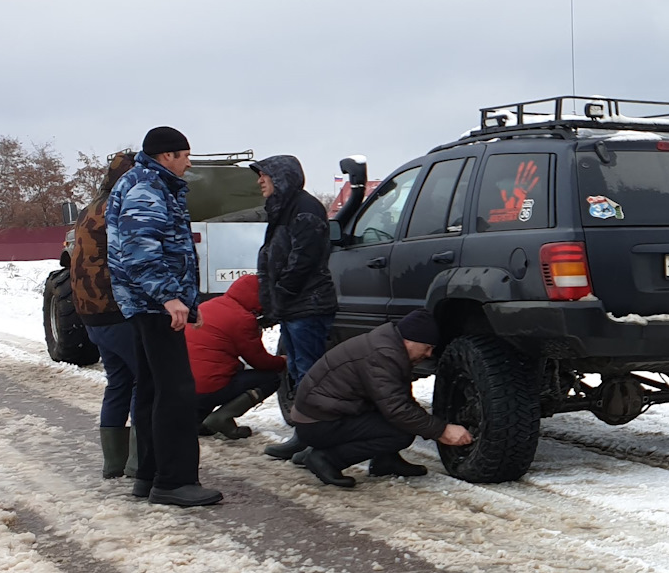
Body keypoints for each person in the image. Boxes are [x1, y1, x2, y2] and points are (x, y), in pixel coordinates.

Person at [106, 126, 222, 507]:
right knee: (176, 391)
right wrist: (170, 297)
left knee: (154, 388)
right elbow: (140, 251)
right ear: (167, 155)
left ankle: (149, 476)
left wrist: (187, 301)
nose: (189, 161)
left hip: (149, 304)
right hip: (153, 304)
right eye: (185, 154)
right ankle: (174, 480)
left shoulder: (152, 183)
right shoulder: (147, 187)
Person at [285, 307, 471, 487]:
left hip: (321, 415)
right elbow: (397, 410)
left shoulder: (388, 347)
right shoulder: (383, 356)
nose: (429, 354)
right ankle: (327, 458)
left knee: (400, 421)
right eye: (427, 347)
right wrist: (442, 430)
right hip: (318, 422)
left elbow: (398, 399)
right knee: (400, 433)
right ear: (409, 341)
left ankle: (385, 460)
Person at [249, 154, 337, 461]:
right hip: (293, 306)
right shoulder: (283, 209)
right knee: (300, 373)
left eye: (264, 175)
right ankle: (305, 435)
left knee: (311, 374)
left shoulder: (305, 208)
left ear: (281, 177)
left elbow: (304, 257)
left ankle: (318, 440)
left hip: (307, 305)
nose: (260, 181)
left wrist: (283, 291)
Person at [70, 150, 139, 479]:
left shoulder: (90, 208)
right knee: (146, 380)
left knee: (119, 383)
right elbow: (132, 258)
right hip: (116, 309)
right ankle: (141, 462)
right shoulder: (120, 207)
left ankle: (114, 463)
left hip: (91, 313)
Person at [186, 273, 287, 439]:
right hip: (209, 387)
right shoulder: (243, 319)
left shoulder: (208, 305)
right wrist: (282, 361)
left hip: (186, 385)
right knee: (270, 378)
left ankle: (198, 420)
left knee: (214, 373)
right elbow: (259, 360)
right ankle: (222, 417)